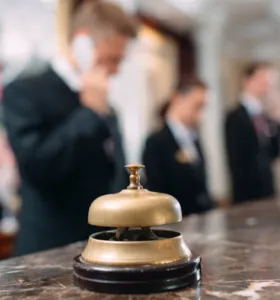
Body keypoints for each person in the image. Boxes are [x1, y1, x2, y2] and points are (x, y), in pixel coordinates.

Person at [2, 1, 138, 256]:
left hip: (103, 251)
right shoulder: (24, 91)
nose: (116, 70)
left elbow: (115, 174)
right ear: (83, 44)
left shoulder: (108, 108)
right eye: (111, 59)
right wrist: (88, 114)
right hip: (48, 254)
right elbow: (37, 169)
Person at [142, 77, 214, 216]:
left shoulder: (194, 138)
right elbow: (157, 192)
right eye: (197, 106)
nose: (200, 114)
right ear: (177, 98)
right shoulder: (156, 141)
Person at [225, 62, 280, 204]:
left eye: (269, 82)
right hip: (247, 193)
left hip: (267, 189)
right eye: (262, 80)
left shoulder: (265, 116)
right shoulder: (235, 116)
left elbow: (276, 153)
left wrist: (278, 120)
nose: (266, 86)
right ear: (247, 80)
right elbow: (236, 160)